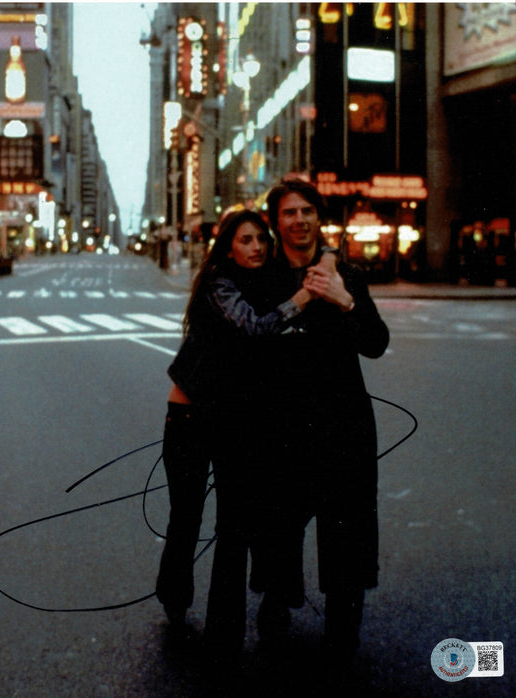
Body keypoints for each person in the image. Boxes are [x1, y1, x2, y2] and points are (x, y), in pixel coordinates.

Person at [155, 210, 320, 640]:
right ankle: (174, 596)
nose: (257, 247)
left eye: (261, 239)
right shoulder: (219, 283)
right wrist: (301, 299)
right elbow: (254, 327)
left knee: (233, 525)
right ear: (229, 246)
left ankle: (223, 629)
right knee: (186, 516)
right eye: (246, 240)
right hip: (190, 418)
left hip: (234, 419)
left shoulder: (267, 282)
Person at [254, 177, 390, 683]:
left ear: (319, 217)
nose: (299, 220)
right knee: (279, 528)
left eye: (308, 210)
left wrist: (343, 299)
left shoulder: (346, 274)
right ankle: (276, 600)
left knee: (346, 533)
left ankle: (343, 631)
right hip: (281, 427)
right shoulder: (264, 278)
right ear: (276, 222)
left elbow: (376, 343)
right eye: (289, 212)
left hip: (343, 425)